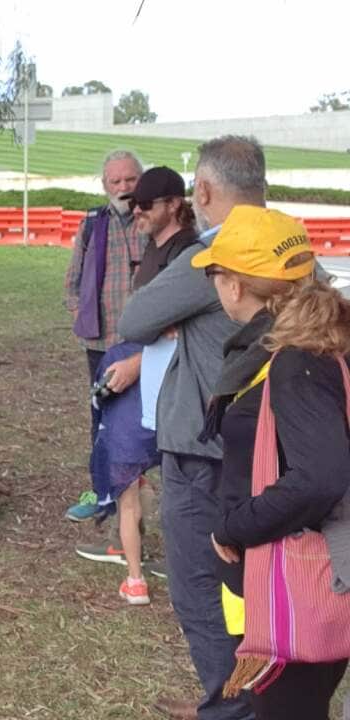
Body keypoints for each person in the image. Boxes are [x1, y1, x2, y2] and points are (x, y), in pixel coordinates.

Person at [118, 136, 265, 720]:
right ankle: (233, 697)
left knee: (202, 589)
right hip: (261, 449)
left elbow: (134, 318)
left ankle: (230, 708)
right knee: (249, 594)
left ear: (201, 192)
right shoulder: (289, 243)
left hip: (202, 451)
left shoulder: (212, 253)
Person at [193, 206, 350, 720]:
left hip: (299, 578)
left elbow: (321, 475)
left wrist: (235, 528)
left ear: (235, 285)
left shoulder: (296, 358)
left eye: (215, 273)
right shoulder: (326, 337)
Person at [73, 167, 198, 604]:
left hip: (168, 386)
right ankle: (131, 555)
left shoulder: (190, 257)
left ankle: (184, 564)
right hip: (130, 368)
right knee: (126, 469)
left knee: (180, 477)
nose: (136, 209)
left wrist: (136, 364)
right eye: (131, 202)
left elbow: (186, 332)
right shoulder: (152, 245)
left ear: (174, 204)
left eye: (145, 203)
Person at [63, 150, 147, 523]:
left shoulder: (153, 223)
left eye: (130, 180)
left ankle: (136, 498)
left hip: (144, 342)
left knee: (142, 420)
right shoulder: (92, 224)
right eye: (116, 181)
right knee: (100, 417)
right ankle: (101, 493)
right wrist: (77, 310)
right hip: (100, 342)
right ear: (105, 185)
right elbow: (73, 279)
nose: (124, 187)